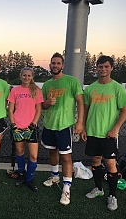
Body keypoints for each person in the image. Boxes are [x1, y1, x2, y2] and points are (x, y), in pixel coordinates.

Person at [81, 55, 126, 211]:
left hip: (109, 134)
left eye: (106, 67)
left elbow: (124, 111)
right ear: (97, 68)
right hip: (93, 132)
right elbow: (86, 110)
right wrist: (84, 127)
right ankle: (98, 189)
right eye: (100, 67)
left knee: (110, 164)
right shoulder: (91, 88)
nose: (103, 69)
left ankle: (112, 196)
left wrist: (115, 129)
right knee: (95, 160)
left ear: (111, 68)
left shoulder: (117, 88)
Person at [41, 52, 84, 205]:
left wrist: (80, 122)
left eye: (58, 63)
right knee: (52, 152)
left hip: (64, 126)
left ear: (63, 65)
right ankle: (54, 176)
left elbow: (80, 101)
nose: (55, 66)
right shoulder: (46, 85)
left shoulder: (72, 81)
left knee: (66, 157)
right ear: (50, 65)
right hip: (49, 125)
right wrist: (47, 102)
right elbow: (42, 106)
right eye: (53, 63)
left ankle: (66, 188)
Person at [7, 67, 43, 191]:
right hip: (17, 127)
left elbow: (39, 110)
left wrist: (33, 125)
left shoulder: (36, 91)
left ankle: (30, 179)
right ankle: (22, 175)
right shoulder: (15, 91)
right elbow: (10, 110)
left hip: (31, 128)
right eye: (24, 75)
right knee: (20, 152)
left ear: (32, 77)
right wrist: (13, 126)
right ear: (20, 76)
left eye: (29, 75)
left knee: (33, 156)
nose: (26, 77)